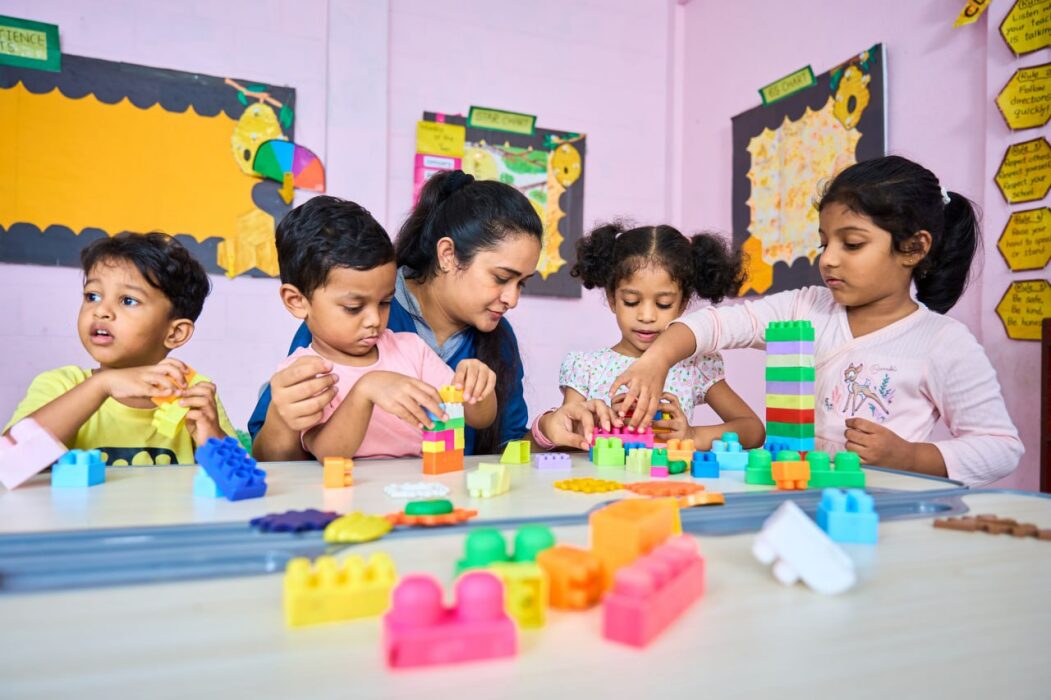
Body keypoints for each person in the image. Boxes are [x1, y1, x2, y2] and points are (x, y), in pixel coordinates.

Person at [609, 156, 1023, 486]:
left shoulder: (942, 342)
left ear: (913, 248)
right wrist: (657, 359)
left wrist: (912, 456)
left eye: (852, 243)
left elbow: (1001, 447)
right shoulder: (806, 306)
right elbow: (719, 325)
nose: (828, 258)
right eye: (824, 242)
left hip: (884, 511)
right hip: (793, 497)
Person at [250, 170, 542, 460]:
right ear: (448, 255)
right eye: (502, 277)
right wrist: (365, 390)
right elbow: (293, 454)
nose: (512, 299)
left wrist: (483, 391)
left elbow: (501, 438)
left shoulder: (411, 347)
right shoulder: (328, 339)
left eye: (385, 302)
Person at [5, 233, 235, 465]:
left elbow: (242, 484)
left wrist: (211, 436)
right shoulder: (60, 385)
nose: (101, 310)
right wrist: (101, 385)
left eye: (127, 300)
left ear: (175, 333)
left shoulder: (194, 395)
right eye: (92, 296)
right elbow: (8, 462)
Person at [532, 222, 764, 450]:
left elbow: (752, 430)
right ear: (613, 299)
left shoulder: (696, 365)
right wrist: (603, 428)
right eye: (631, 302)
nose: (646, 315)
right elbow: (568, 437)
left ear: (682, 304)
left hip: (666, 487)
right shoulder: (586, 367)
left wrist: (693, 436)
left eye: (663, 304)